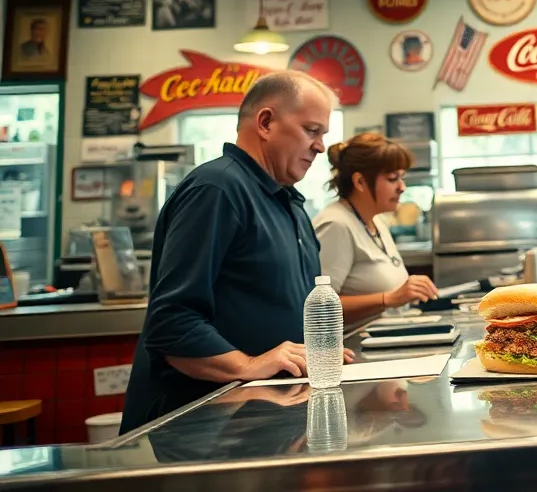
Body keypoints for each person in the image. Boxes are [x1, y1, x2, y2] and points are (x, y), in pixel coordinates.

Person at [121, 71, 352, 433]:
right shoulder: (217, 190)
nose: (321, 146)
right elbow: (172, 323)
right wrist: (246, 365)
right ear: (265, 122)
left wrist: (312, 352)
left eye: (323, 134)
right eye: (311, 130)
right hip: (199, 429)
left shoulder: (288, 203)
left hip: (263, 421)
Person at [314, 132, 438, 323]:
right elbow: (320, 308)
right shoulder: (335, 224)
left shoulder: (377, 221)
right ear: (360, 182)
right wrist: (388, 299)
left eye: (402, 177)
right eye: (392, 179)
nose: (402, 187)